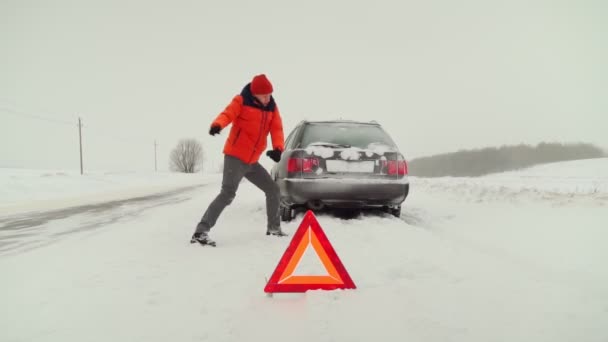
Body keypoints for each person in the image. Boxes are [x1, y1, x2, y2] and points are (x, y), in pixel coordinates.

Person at [190, 74, 287, 247]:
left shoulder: (272, 107)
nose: (267, 98)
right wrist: (217, 124)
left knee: (273, 190)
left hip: (252, 162)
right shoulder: (242, 100)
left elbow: (277, 128)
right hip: (235, 157)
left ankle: (274, 229)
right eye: (264, 95)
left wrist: (278, 148)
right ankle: (200, 232)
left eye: (270, 94)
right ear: (255, 94)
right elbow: (228, 114)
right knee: (227, 194)